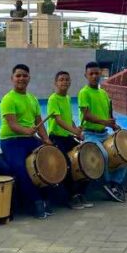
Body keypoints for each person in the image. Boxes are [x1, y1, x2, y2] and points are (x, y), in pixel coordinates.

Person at [0, 64, 53, 218]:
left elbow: (39, 122)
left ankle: (46, 199)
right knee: (20, 169)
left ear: (29, 78)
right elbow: (12, 124)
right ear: (12, 78)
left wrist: (46, 139)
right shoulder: (8, 99)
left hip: (29, 139)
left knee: (49, 160)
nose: (21, 78)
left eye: (24, 76)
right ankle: (35, 202)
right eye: (18, 76)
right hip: (11, 140)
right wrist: (26, 131)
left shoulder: (32, 99)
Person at [79, 62, 127, 202]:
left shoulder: (104, 93)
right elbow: (86, 115)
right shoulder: (84, 92)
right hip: (90, 134)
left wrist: (113, 125)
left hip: (104, 134)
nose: (94, 76)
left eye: (96, 73)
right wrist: (105, 122)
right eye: (91, 74)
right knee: (104, 155)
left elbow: (109, 114)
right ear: (86, 75)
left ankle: (116, 182)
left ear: (100, 74)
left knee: (124, 152)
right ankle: (107, 184)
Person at [46, 70, 92, 210]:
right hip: (56, 138)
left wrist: (77, 132)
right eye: (61, 80)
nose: (64, 82)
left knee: (85, 157)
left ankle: (80, 193)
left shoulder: (67, 98)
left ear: (70, 82)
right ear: (56, 83)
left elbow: (68, 119)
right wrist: (73, 131)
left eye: (67, 79)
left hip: (67, 138)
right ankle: (70, 197)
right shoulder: (53, 99)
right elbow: (58, 120)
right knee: (66, 164)